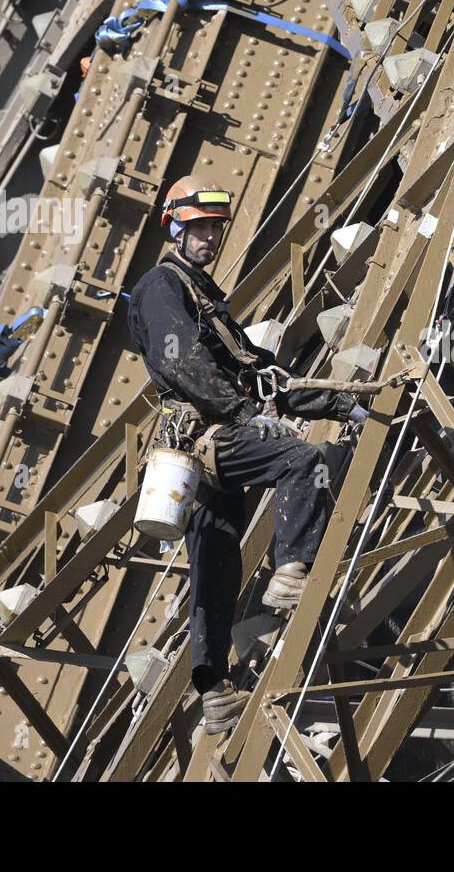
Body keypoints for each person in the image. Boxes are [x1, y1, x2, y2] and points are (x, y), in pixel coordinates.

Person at [127, 175, 363, 734]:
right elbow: (181, 359)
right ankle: (291, 570)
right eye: (198, 227)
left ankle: (214, 692)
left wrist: (337, 403)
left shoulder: (205, 297)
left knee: (214, 567)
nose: (209, 236)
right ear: (175, 229)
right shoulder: (163, 285)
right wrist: (240, 415)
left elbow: (265, 376)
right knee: (301, 461)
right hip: (210, 434)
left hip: (204, 447)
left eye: (214, 228)